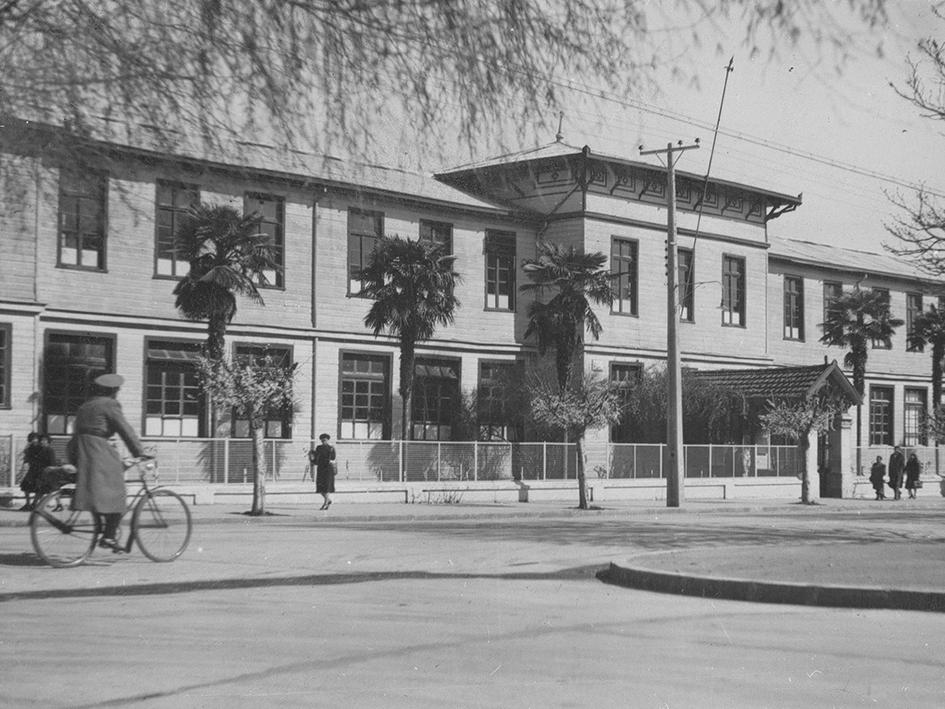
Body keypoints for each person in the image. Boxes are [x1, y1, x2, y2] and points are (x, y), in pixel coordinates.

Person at [67, 373, 147, 550]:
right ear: (112, 391)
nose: (117, 393)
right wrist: (139, 451)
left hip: (79, 448)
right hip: (97, 448)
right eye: (116, 390)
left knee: (100, 489)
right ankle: (109, 536)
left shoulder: (86, 405)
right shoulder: (109, 404)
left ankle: (106, 528)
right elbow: (124, 429)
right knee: (118, 491)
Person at [309, 433, 336, 510]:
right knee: (320, 488)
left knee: (327, 487)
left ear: (328, 440)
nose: (324, 441)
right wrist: (312, 457)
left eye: (325, 440)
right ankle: (328, 500)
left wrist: (333, 451)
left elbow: (333, 458)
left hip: (328, 469)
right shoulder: (319, 448)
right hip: (321, 469)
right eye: (322, 440)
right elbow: (316, 459)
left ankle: (326, 503)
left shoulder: (331, 448)